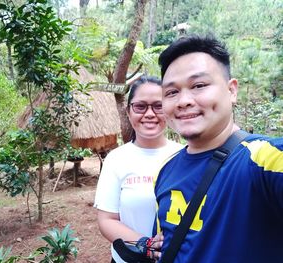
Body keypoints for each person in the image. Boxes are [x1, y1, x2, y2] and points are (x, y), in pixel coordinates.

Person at [155, 35, 283, 262]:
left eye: (199, 85)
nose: (183, 101)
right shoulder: (165, 172)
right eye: (171, 92)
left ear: (232, 90)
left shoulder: (265, 159)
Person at [94, 76, 183, 263]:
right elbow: (107, 220)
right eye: (140, 106)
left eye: (158, 106)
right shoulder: (116, 159)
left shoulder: (185, 155)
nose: (149, 114)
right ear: (128, 112)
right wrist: (147, 245)